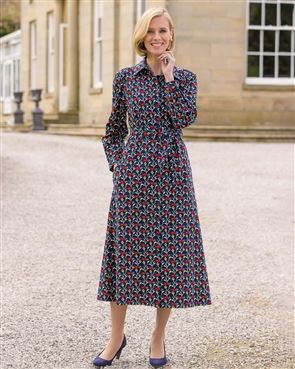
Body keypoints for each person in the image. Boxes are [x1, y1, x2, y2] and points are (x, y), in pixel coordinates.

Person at [93, 6, 212, 368]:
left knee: (170, 258)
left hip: (173, 176)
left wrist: (170, 78)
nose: (157, 37)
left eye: (163, 31)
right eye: (151, 32)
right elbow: (112, 131)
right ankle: (116, 337)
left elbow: (183, 118)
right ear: (142, 38)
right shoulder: (126, 78)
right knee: (124, 255)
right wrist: (118, 165)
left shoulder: (186, 78)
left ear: (171, 35)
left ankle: (158, 338)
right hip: (133, 178)